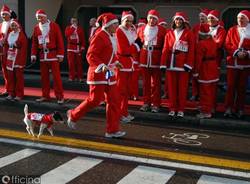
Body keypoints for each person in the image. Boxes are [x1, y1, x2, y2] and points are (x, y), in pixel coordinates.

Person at [67, 13, 126, 138]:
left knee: (114, 100)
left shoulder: (111, 36)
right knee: (95, 100)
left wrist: (116, 62)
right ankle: (73, 115)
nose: (117, 25)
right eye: (115, 24)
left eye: (117, 23)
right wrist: (101, 65)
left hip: (108, 73)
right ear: (108, 25)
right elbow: (91, 55)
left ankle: (112, 130)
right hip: (98, 73)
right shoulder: (100, 36)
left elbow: (110, 54)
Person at [161, 12, 194, 118]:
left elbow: (192, 50)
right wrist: (163, 63)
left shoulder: (189, 33)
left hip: (182, 65)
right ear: (174, 21)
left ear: (183, 21)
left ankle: (181, 109)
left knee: (182, 89)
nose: (178, 21)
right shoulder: (169, 33)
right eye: (176, 20)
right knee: (171, 88)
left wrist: (188, 64)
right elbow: (165, 49)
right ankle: (172, 108)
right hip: (171, 64)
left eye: (180, 20)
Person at [31, 9, 65, 104]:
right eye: (38, 18)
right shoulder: (36, 27)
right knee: (44, 77)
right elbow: (34, 42)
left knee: (56, 77)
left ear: (45, 16)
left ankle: (59, 96)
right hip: (42, 56)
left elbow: (60, 41)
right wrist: (33, 54)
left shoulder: (54, 26)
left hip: (53, 55)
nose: (39, 19)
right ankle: (45, 95)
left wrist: (60, 54)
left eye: (41, 17)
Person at [137, 9, 166, 113]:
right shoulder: (141, 28)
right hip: (144, 57)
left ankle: (156, 104)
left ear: (157, 20)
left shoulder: (162, 30)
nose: (152, 20)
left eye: (154, 18)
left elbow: (165, 45)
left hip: (156, 58)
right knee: (145, 83)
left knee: (156, 83)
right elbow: (138, 42)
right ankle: (146, 103)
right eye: (150, 18)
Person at [224, 10, 250, 118]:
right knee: (230, 86)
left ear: (247, 19)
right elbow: (227, 44)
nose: (240, 20)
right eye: (239, 18)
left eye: (242, 18)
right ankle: (228, 108)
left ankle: (240, 109)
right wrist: (237, 52)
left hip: (245, 63)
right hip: (233, 63)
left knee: (242, 87)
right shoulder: (232, 30)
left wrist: (247, 53)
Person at [116, 11, 140, 123]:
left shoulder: (129, 30)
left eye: (131, 21)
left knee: (126, 91)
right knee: (120, 90)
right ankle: (119, 113)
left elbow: (129, 46)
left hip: (128, 62)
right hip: (121, 63)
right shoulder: (119, 31)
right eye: (127, 21)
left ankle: (124, 111)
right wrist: (136, 46)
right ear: (122, 20)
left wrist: (134, 46)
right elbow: (123, 50)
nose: (129, 23)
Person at [194, 23, 219, 119]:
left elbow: (198, 60)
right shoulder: (213, 42)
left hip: (205, 68)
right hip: (213, 67)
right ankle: (212, 108)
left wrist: (196, 72)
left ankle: (206, 112)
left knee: (205, 92)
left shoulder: (201, 44)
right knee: (212, 91)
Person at [5, 19, 27, 101]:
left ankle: (19, 94)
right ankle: (11, 93)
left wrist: (22, 61)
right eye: (12, 26)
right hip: (10, 58)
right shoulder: (10, 34)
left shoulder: (21, 35)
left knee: (19, 78)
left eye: (14, 25)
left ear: (18, 25)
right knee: (10, 77)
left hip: (18, 58)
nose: (13, 27)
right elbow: (7, 46)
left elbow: (24, 49)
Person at [190, 8, 210, 101]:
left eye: (203, 16)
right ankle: (195, 93)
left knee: (204, 77)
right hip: (195, 54)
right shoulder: (195, 27)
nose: (201, 18)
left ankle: (202, 94)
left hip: (206, 56)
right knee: (195, 75)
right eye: (200, 16)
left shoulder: (210, 27)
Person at [65, 17, 85, 82]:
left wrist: (83, 46)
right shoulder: (68, 28)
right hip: (70, 48)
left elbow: (83, 38)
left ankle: (80, 77)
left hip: (78, 48)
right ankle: (71, 77)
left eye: (75, 21)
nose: (74, 22)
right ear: (71, 22)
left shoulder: (80, 29)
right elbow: (67, 34)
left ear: (77, 21)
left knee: (79, 64)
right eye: (73, 21)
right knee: (71, 64)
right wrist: (73, 27)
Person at [0, 5, 12, 96]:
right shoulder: (1, 25)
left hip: (11, 51)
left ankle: (12, 90)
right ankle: (7, 89)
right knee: (4, 71)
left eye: (5, 14)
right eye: (2, 15)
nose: (3, 16)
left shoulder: (13, 24)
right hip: (2, 51)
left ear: (9, 15)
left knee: (10, 71)